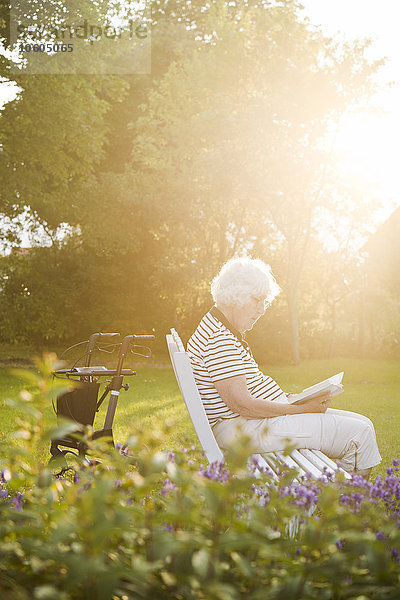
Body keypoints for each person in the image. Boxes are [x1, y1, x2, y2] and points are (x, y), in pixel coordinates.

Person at [187, 257, 381, 479]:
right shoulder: (219, 339)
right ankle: (342, 506)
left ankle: (338, 501)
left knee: (364, 424)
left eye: (264, 302)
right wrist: (301, 409)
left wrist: (297, 400)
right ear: (235, 296)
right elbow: (242, 405)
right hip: (244, 429)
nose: (261, 310)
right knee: (361, 434)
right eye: (257, 300)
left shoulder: (219, 328)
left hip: (251, 424)